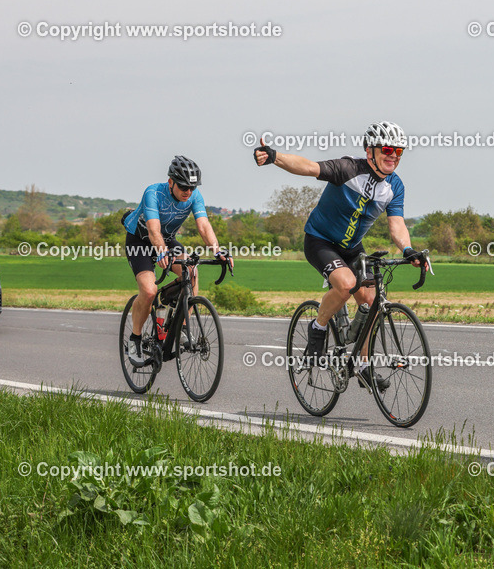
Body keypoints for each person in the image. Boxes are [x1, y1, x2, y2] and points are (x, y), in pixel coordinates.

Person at [253, 121, 425, 391]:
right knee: (345, 285)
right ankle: (318, 328)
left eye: (399, 151)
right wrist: (274, 157)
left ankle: (362, 366)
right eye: (388, 149)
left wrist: (408, 250)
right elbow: (308, 167)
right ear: (370, 151)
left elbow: (397, 225)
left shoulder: (395, 186)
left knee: (371, 300)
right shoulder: (348, 169)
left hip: (352, 247)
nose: (393, 155)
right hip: (320, 241)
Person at [123, 155, 228, 363]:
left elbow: (204, 226)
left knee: (191, 271)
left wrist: (218, 250)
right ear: (171, 182)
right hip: (141, 240)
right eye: (183, 187)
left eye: (192, 187)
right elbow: (153, 230)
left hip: (167, 240)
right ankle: (135, 338)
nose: (188, 192)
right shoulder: (153, 192)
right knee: (149, 290)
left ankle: (181, 328)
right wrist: (161, 252)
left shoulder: (194, 196)